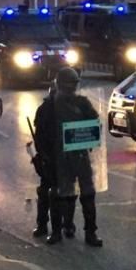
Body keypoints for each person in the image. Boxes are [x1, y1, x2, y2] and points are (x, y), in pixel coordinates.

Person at [38, 68, 103, 247]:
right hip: (59, 158)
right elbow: (41, 135)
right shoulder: (49, 107)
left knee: (88, 194)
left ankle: (91, 232)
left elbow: (96, 126)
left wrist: (88, 136)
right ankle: (57, 231)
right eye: (67, 85)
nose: (70, 89)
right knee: (59, 195)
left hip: (80, 156)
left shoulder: (82, 104)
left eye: (72, 85)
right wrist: (46, 157)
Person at [30, 85, 57, 238]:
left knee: (64, 194)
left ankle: (65, 226)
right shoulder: (45, 110)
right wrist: (42, 155)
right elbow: (39, 136)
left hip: (64, 156)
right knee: (47, 192)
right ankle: (43, 225)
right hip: (50, 156)